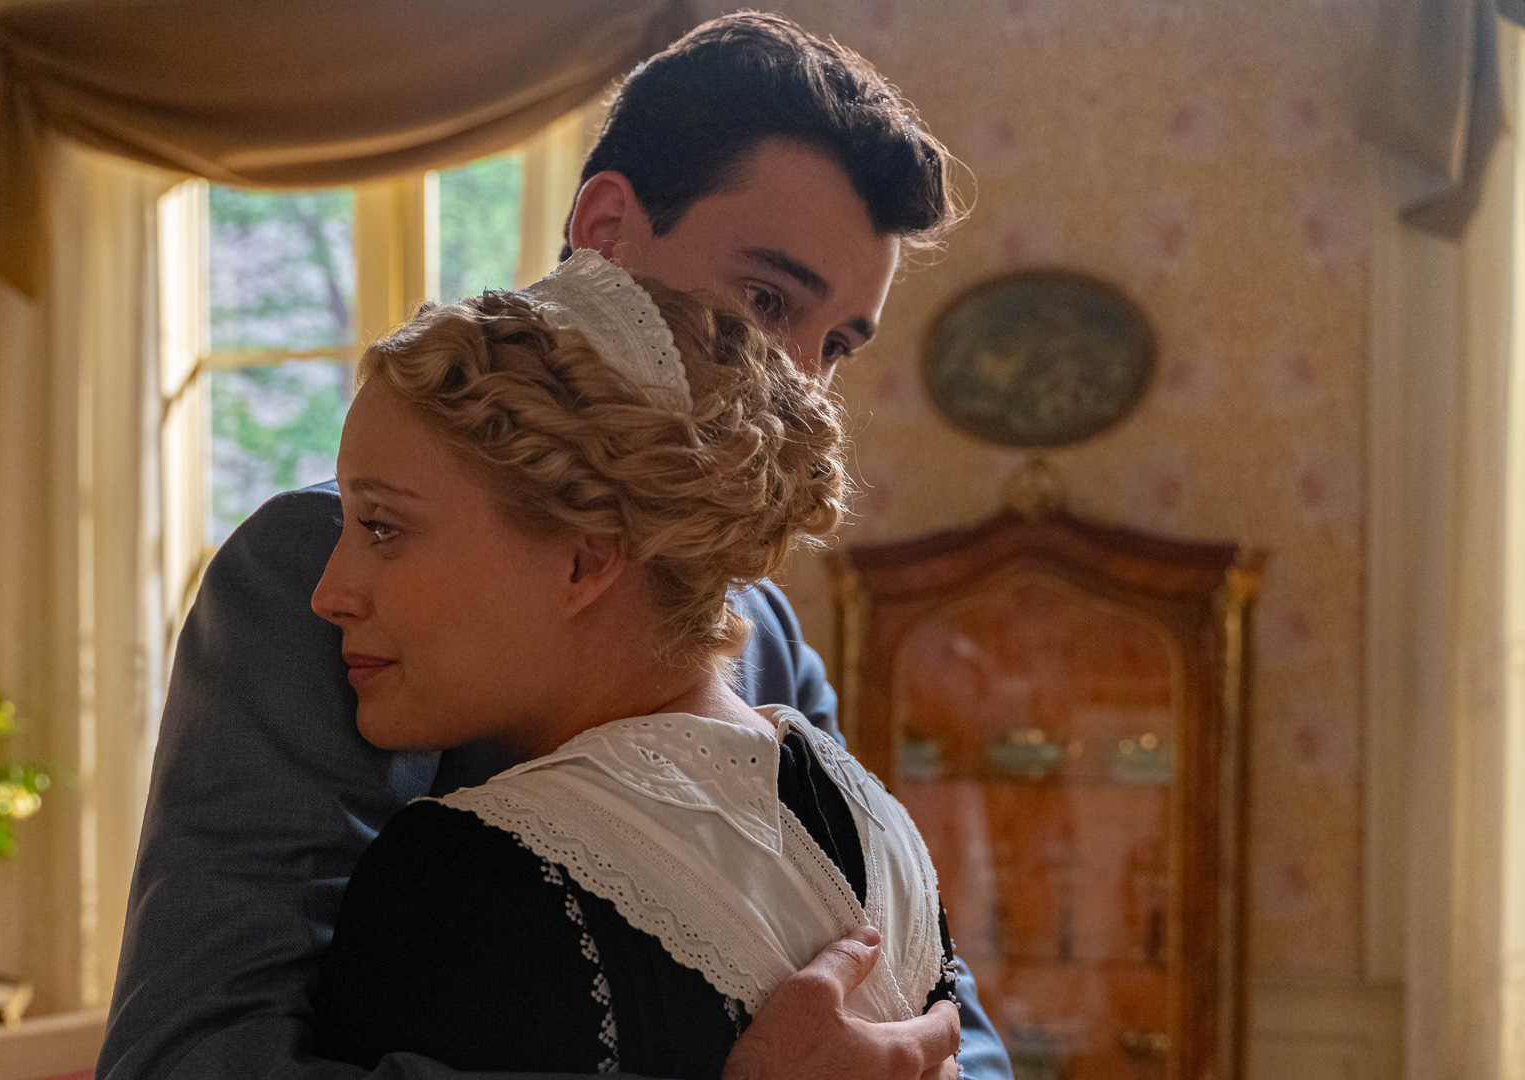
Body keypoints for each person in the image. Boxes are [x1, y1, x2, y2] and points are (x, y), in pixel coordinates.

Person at [100, 13, 1013, 1080]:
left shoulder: (755, 622)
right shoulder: (309, 566)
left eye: (837, 346)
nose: (798, 383)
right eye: (766, 300)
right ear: (606, 228)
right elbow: (190, 1055)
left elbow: (936, 1012)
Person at [309, 253, 956, 1078]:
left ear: (584, 561)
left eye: (383, 528)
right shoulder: (882, 827)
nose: (328, 594)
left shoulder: (462, 881)